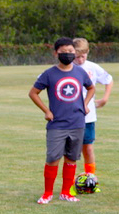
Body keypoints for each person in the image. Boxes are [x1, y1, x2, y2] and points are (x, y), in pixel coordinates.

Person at [28, 37, 94, 204]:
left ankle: (66, 192)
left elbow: (91, 87)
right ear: (56, 53)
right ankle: (47, 193)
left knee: (72, 158)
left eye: (71, 52)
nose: (68, 55)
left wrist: (85, 104)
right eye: (63, 52)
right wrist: (46, 110)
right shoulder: (49, 74)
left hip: (77, 123)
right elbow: (33, 93)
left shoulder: (80, 72)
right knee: (52, 158)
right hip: (57, 125)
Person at [72, 37, 113, 192]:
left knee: (88, 148)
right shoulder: (68, 68)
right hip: (71, 116)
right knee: (72, 151)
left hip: (88, 117)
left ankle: (90, 180)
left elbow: (109, 80)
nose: (80, 59)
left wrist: (105, 98)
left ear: (87, 53)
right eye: (77, 56)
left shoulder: (93, 67)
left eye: (83, 56)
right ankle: (70, 181)